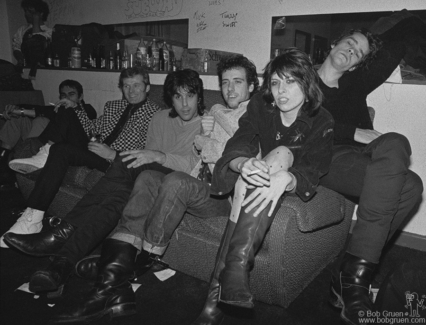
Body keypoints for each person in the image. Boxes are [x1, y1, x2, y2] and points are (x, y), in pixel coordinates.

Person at [45, 55, 259, 323]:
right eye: (225, 82)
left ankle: (132, 262)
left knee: (169, 179)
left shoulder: (254, 116)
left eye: (237, 82)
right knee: (145, 177)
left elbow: (223, 159)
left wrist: (208, 137)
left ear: (252, 86)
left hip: (220, 194)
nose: (230, 89)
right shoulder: (216, 112)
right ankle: (109, 291)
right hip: (194, 181)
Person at [3, 70, 205, 316]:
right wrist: (147, 156)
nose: (184, 104)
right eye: (177, 96)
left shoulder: (206, 124)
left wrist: (157, 156)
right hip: (146, 178)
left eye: (190, 96)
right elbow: (145, 154)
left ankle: (61, 235)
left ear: (199, 97)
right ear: (169, 99)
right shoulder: (161, 118)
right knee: (114, 201)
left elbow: (194, 168)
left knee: (122, 164)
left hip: (173, 179)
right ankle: (60, 266)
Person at [191, 47, 334, 324]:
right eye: (276, 82)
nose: (281, 90)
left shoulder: (323, 119)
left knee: (282, 152)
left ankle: (219, 292)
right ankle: (234, 272)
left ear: (307, 83)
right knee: (255, 167)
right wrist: (241, 163)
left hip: (289, 179)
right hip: (259, 173)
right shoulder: (261, 104)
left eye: (290, 81)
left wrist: (288, 178)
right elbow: (241, 139)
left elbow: (315, 167)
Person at [315, 10, 424, 325]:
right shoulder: (302, 80)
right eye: (350, 43)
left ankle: (350, 273)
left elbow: (393, 47)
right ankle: (354, 281)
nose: (351, 51)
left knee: (399, 148)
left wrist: (408, 18)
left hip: (362, 154)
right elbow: (294, 124)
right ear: (335, 43)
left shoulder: (355, 82)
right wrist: (352, 132)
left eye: (358, 53)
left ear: (357, 63)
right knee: (409, 186)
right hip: (326, 154)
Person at [0, 66, 160, 248]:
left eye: (136, 86)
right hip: (93, 149)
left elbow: (147, 152)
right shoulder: (113, 106)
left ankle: (45, 157)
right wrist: (76, 108)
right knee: (67, 111)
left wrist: (112, 154)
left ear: (147, 87)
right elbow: (92, 128)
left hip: (114, 162)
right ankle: (33, 218)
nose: (131, 91)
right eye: (126, 86)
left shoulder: (156, 115)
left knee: (62, 150)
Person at [0, 79, 97, 189]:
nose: (67, 98)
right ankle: (3, 161)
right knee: (16, 119)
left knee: (41, 120)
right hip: (44, 136)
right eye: (63, 95)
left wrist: (22, 111)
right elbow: (43, 109)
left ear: (80, 97)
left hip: (64, 143)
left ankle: (30, 156)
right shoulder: (59, 108)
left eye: (71, 94)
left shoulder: (88, 110)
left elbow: (47, 112)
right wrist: (16, 108)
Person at [13, 0, 52, 79]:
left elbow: (36, 40)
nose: (26, 14)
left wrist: (36, 21)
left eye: (30, 12)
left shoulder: (49, 32)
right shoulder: (22, 30)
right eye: (25, 11)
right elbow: (16, 48)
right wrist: (20, 60)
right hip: (25, 68)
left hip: (42, 70)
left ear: (41, 13)